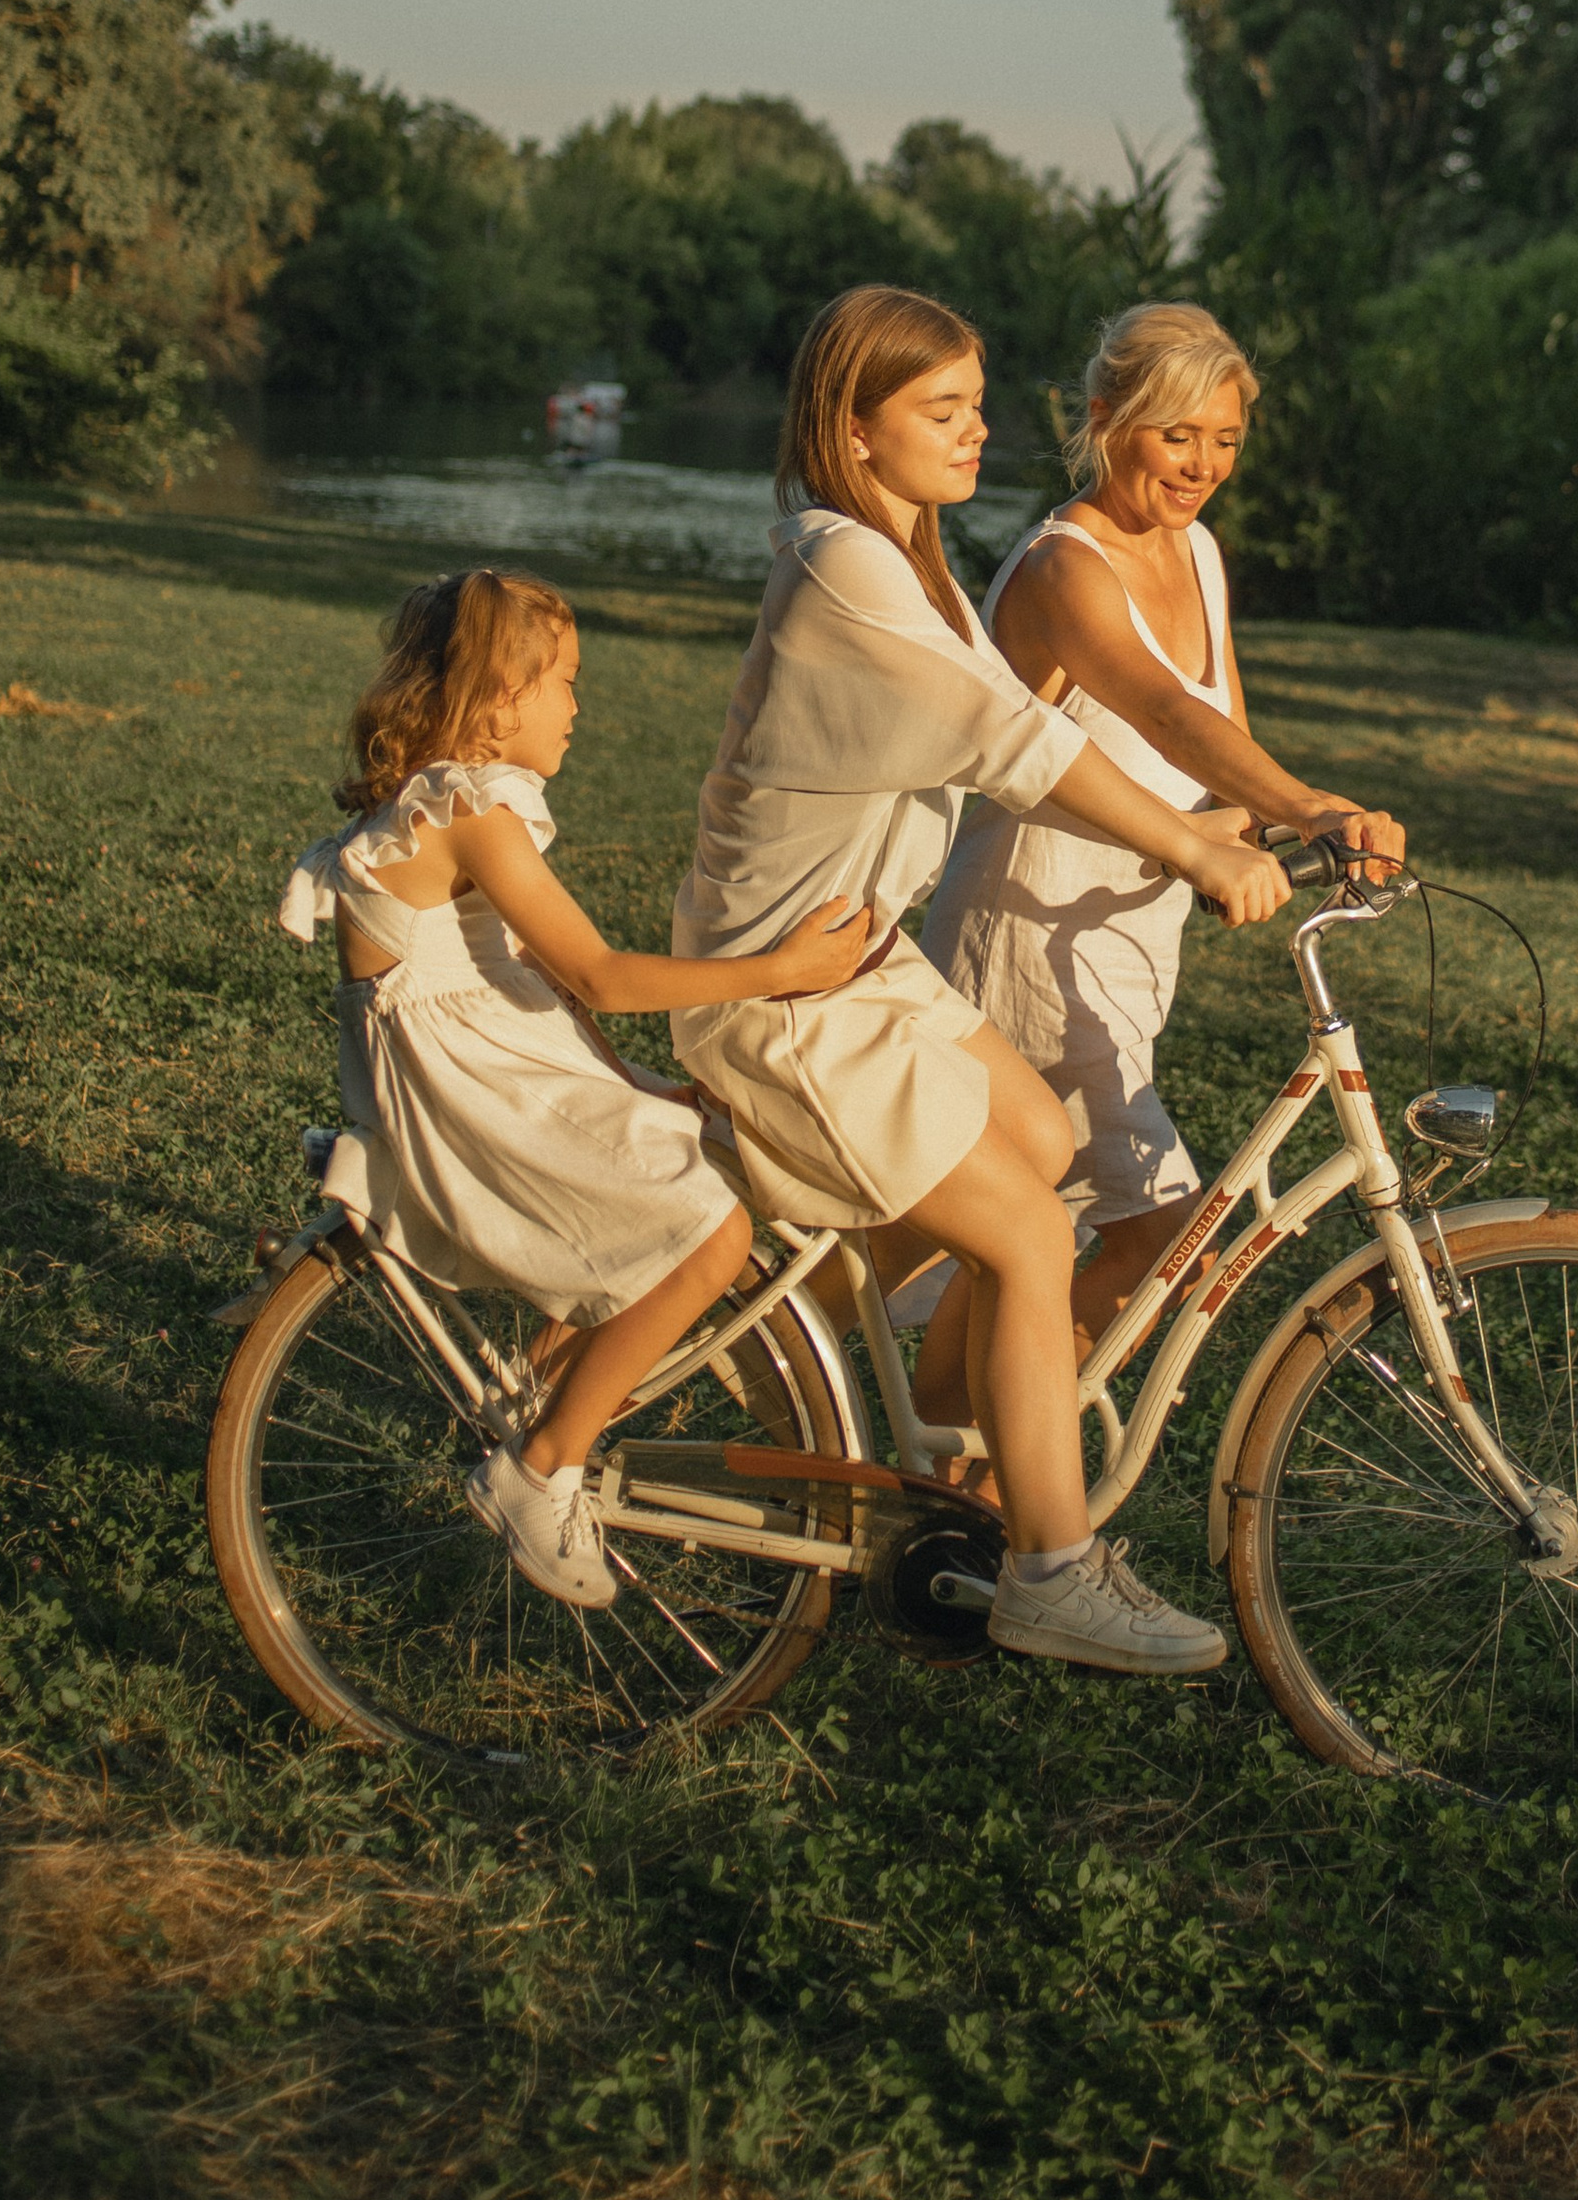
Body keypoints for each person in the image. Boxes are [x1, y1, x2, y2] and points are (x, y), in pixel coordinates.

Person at [667, 284, 1290, 1677]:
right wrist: (1202, 836)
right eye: (943, 411)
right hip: (790, 982)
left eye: (976, 404)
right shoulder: (852, 569)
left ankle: (931, 1433)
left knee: (1045, 1151)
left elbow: (1140, 726)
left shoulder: (912, 557)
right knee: (1033, 1233)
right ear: (855, 428)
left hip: (856, 960)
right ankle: (1050, 1567)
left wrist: (1241, 823)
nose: (979, 431)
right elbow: (1024, 745)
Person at [279, 566, 871, 1613]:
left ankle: (551, 1382)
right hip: (469, 1085)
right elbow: (596, 972)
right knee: (709, 1234)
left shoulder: (449, 802)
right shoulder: (468, 811)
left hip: (500, 1056)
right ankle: (542, 1466)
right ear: (500, 701)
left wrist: (639, 1083)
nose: (579, 705)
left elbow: (542, 983)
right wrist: (783, 973)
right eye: (564, 681)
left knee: (701, 1141)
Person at [917, 302, 1404, 1413]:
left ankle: (949, 1479)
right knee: (1152, 1231)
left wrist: (1299, 820)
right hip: (1025, 942)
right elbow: (1161, 714)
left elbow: (1220, 753)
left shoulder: (1199, 553)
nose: (1201, 466)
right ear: (1104, 421)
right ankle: (985, 1483)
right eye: (1175, 435)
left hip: (1127, 944)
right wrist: (1317, 804)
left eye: (1224, 440)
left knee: (996, 1231)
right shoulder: (1060, 569)